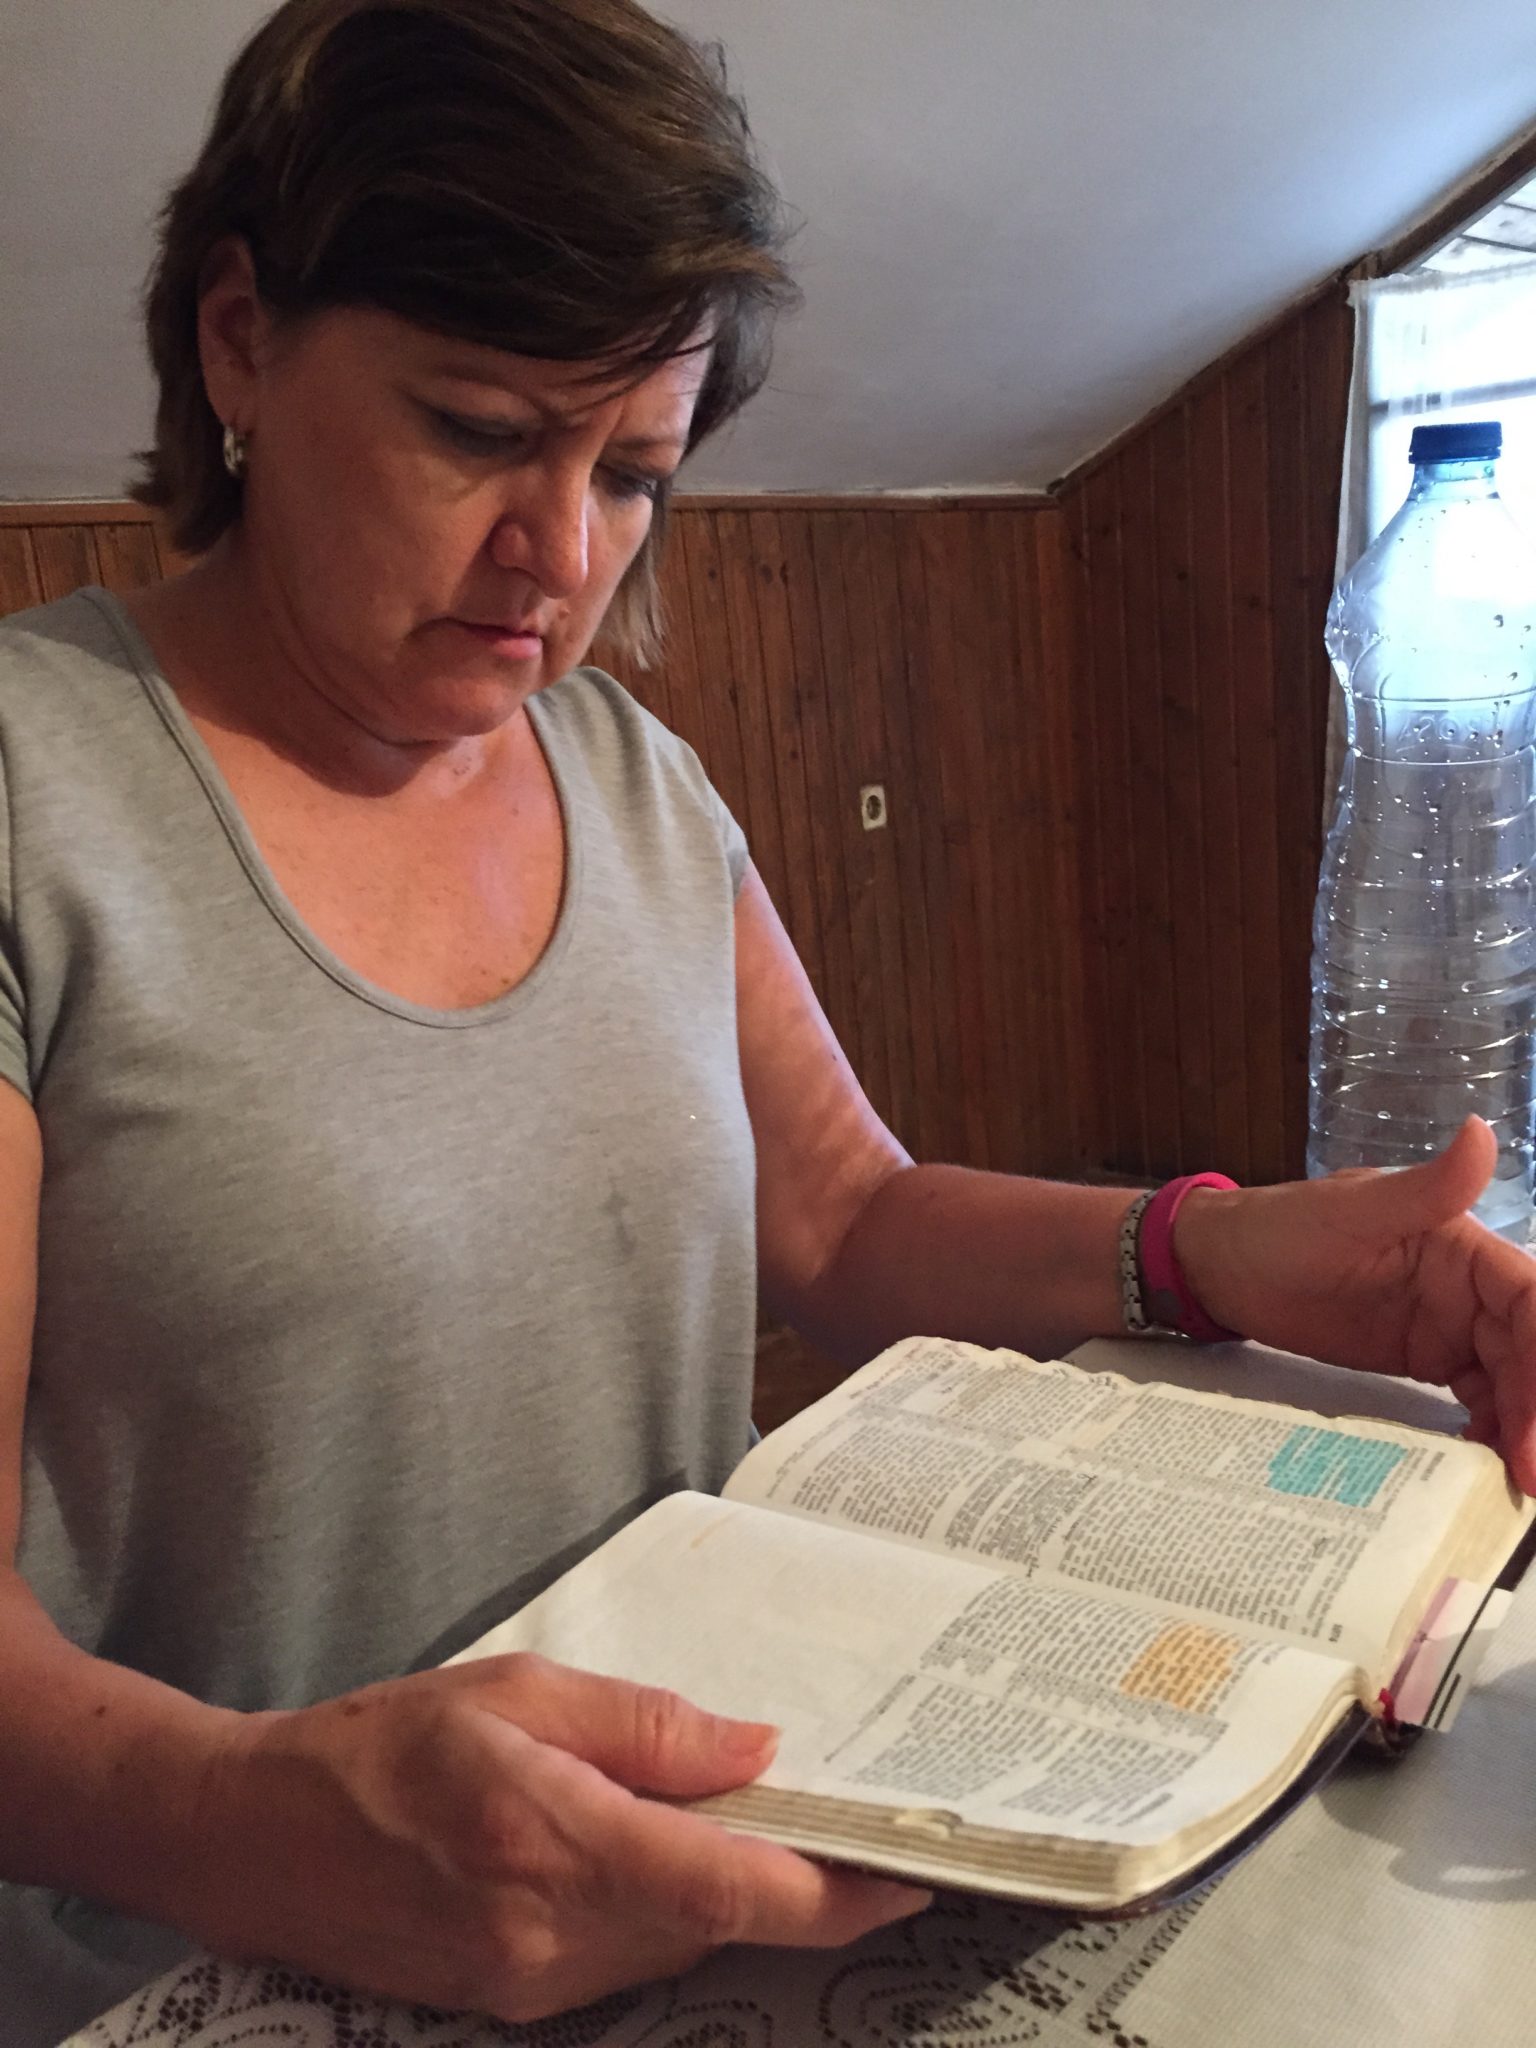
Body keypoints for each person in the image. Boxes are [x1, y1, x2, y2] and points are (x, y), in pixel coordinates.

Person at [2, 0, 1535, 2038]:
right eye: (479, 429)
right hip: (210, 1976)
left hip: (700, 1910)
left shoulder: (630, 779)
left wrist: (1222, 1253)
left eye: (633, 471)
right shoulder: (37, 801)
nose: (559, 554)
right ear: (237, 342)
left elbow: (847, 1217)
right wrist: (260, 1815)